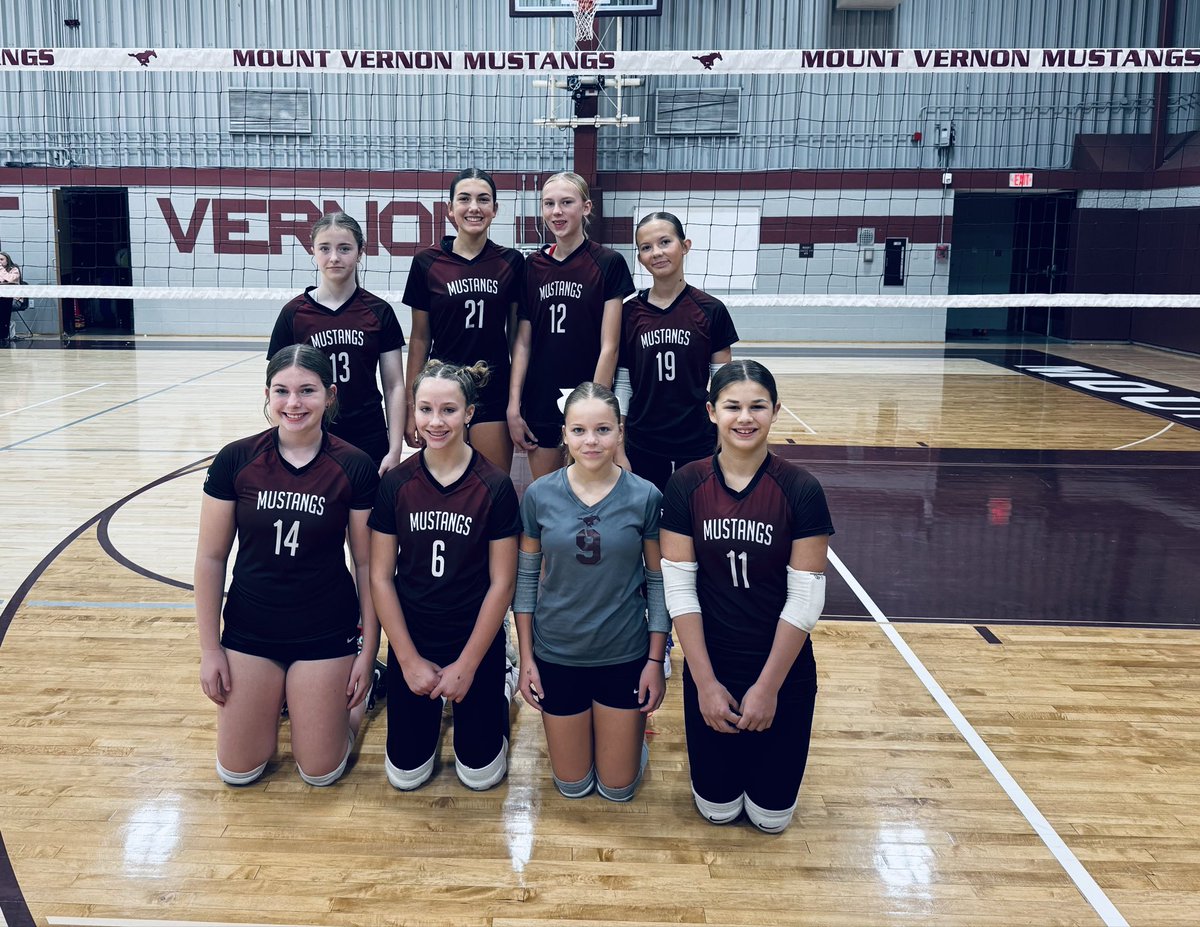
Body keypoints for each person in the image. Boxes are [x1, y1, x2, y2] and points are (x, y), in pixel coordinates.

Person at [659, 360, 834, 833]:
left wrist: (768, 687)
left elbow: (804, 600)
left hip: (781, 672)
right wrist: (705, 685)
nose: (745, 418)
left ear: (776, 411)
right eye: (733, 406)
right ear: (711, 411)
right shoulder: (686, 485)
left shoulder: (802, 489)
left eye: (757, 406)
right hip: (712, 666)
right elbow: (679, 590)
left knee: (770, 818)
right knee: (716, 810)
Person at [194, 345, 380, 788]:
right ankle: (281, 697)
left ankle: (359, 696)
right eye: (282, 391)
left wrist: (367, 651)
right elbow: (210, 558)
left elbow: (367, 563)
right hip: (250, 630)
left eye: (307, 391)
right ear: (267, 393)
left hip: (325, 630)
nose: (293, 403)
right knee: (238, 771)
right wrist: (209, 650)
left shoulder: (353, 465)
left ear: (330, 395)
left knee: (321, 771)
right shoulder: (235, 460)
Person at [369, 360, 520, 791]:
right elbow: (380, 577)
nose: (435, 422)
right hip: (414, 638)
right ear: (412, 413)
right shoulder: (396, 484)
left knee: (481, 775)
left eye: (449, 410)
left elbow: (502, 584)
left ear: (470, 412)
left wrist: (469, 665)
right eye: (425, 409)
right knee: (406, 776)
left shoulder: (494, 485)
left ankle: (500, 682)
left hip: (474, 636)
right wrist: (407, 659)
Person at [514, 382, 668, 802]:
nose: (591, 441)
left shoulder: (646, 496)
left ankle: (632, 742)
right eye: (579, 430)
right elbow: (525, 581)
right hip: (557, 654)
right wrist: (527, 658)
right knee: (573, 786)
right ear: (564, 434)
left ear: (620, 431)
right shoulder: (539, 495)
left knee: (617, 788)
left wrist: (657, 659)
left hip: (624, 655)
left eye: (602, 430)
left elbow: (657, 583)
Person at [508, 172, 635, 480]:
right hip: (541, 397)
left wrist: (596, 406)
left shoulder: (608, 262)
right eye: (548, 204)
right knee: (548, 498)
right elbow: (522, 343)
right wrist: (514, 405)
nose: (557, 212)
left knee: (591, 493)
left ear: (586, 207)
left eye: (567, 203)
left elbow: (611, 346)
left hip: (587, 393)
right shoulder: (531, 267)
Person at [403, 168, 524, 474]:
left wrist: (516, 400)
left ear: (495, 209)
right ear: (450, 209)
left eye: (483, 200)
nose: (474, 207)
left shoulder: (511, 262)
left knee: (493, 486)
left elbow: (516, 339)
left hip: (493, 389)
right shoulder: (426, 262)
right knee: (444, 484)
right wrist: (410, 407)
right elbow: (419, 339)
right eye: (464, 199)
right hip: (441, 387)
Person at [268, 213, 407, 476]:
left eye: (344, 248)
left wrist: (395, 448)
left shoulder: (379, 311)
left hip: (368, 434)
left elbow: (394, 385)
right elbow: (277, 388)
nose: (334, 257)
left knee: (366, 515)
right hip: (312, 433)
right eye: (325, 248)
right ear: (313, 251)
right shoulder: (294, 314)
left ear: (360, 252)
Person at [616, 212, 740, 493]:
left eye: (665, 242)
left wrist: (724, 438)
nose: (656, 253)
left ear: (685, 245)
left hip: (696, 439)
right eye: (646, 247)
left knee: (693, 522)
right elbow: (623, 383)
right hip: (643, 439)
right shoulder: (628, 313)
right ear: (639, 258)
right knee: (648, 527)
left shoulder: (711, 310)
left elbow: (724, 386)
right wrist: (619, 443)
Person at [0, 251, 20, 346]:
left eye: (1, 259)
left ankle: (4, 334)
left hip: (14, 299)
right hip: (2, 298)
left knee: (4, 303)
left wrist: (1, 269)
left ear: (7, 260)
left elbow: (10, 279)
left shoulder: (14, 269)